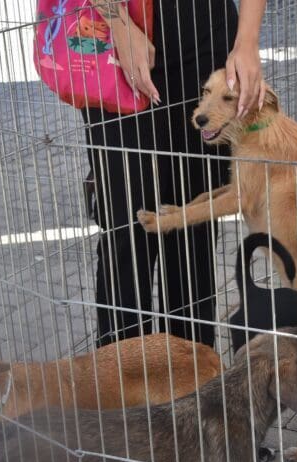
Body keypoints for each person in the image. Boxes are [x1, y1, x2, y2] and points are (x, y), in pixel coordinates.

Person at [83, 0, 266, 348]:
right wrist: (121, 27)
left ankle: (194, 383)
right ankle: (121, 388)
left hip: (204, 42)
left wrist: (247, 41)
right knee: (127, 230)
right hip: (114, 46)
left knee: (193, 224)